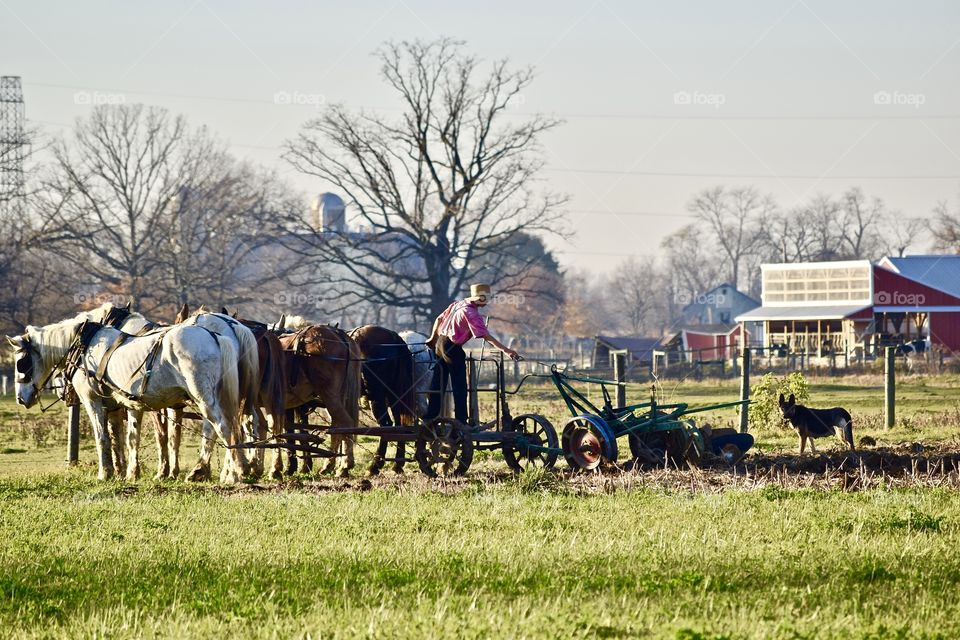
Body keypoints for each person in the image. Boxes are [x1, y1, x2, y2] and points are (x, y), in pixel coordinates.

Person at [424, 283, 521, 424]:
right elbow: (486, 336)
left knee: (438, 382)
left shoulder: (457, 304)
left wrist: (433, 339)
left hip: (440, 343)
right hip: (452, 347)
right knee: (460, 385)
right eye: (486, 299)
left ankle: (430, 416)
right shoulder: (472, 314)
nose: (487, 303)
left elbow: (439, 319)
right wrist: (507, 351)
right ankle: (461, 420)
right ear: (481, 299)